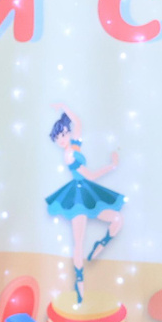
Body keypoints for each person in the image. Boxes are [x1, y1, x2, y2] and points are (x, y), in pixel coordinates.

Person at [45, 104, 124, 303]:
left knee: (117, 219)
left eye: (64, 134)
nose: (62, 139)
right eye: (58, 137)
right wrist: (112, 166)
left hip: (86, 192)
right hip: (77, 196)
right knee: (78, 242)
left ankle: (101, 244)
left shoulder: (74, 146)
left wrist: (64, 107)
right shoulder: (69, 155)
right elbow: (91, 175)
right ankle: (79, 280)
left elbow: (78, 123)